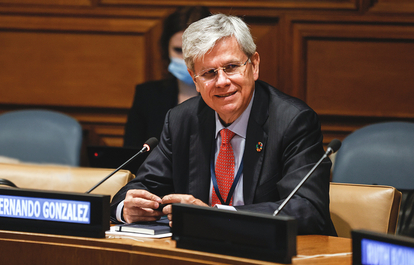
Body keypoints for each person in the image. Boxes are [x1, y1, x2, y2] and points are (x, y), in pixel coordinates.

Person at [111, 13, 337, 236]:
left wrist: (216, 216)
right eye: (209, 73)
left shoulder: (292, 121)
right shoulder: (182, 120)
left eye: (231, 67)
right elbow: (139, 188)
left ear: (254, 65)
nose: (221, 81)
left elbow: (308, 209)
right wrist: (126, 208)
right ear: (195, 80)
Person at [123, 6, 210, 148]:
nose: (186, 60)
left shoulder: (225, 95)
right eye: (178, 50)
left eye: (193, 51)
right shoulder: (147, 96)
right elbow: (131, 156)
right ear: (166, 50)